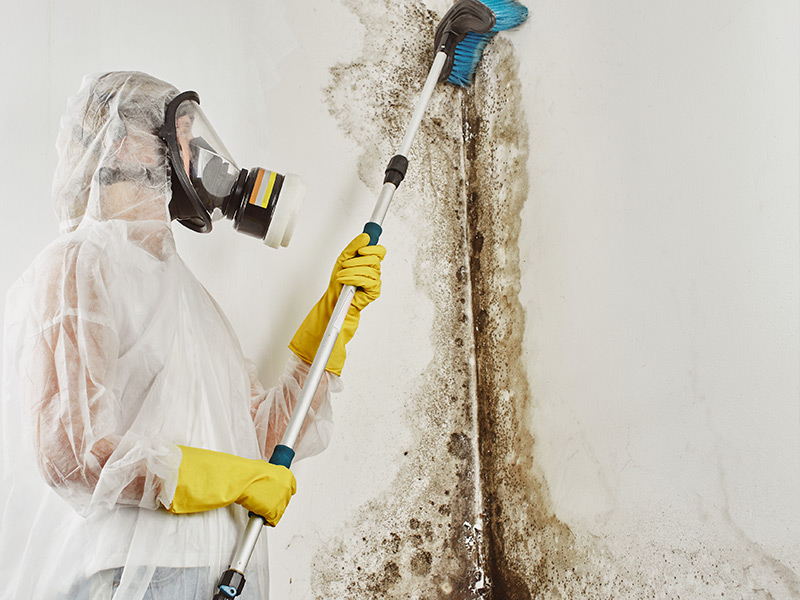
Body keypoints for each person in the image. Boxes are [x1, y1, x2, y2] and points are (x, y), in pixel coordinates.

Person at [0, 71, 386, 599]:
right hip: (132, 577)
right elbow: (71, 450)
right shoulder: (80, 263)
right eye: (178, 132)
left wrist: (332, 321)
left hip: (230, 573)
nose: (193, 149)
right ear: (121, 142)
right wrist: (227, 481)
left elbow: (260, 442)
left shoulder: (189, 296)